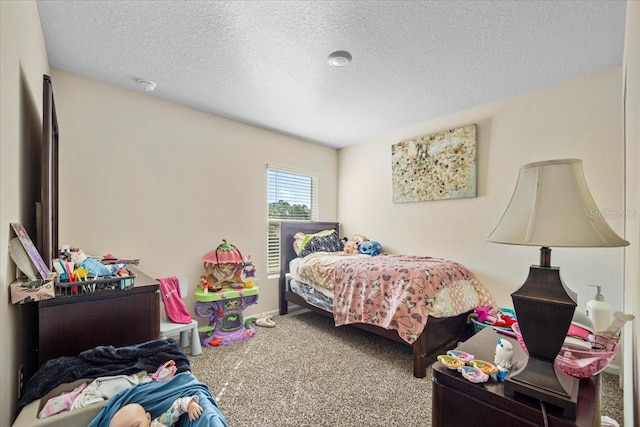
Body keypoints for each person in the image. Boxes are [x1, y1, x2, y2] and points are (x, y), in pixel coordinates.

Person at [109, 396, 202, 427]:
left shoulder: (159, 423)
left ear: (148, 418)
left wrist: (190, 405)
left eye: (137, 426)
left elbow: (177, 407)